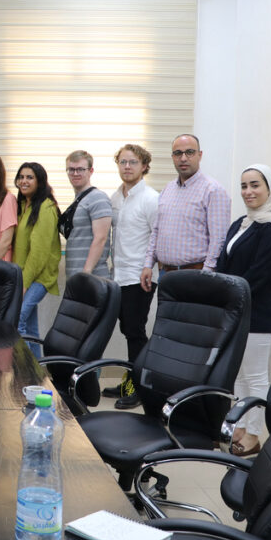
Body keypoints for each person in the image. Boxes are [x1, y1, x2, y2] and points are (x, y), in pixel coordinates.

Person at [216, 164, 271, 457]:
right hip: (235, 309)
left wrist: (231, 297)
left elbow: (258, 275)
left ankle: (254, 435)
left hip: (257, 311)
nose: (248, 191)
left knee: (255, 375)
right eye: (244, 186)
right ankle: (240, 427)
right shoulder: (240, 224)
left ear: (269, 188)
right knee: (239, 375)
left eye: (255, 185)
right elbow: (223, 264)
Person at [104, 145, 159, 409]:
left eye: (133, 162)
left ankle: (139, 388)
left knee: (135, 331)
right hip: (119, 275)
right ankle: (129, 382)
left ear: (144, 166)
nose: (127, 167)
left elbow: (157, 237)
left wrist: (148, 267)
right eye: (123, 162)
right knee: (128, 331)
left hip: (141, 276)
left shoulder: (151, 198)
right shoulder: (115, 197)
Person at [141, 134, 231, 291]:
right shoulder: (168, 189)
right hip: (165, 274)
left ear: (199, 155)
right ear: (172, 157)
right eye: (178, 153)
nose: (183, 158)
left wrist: (207, 274)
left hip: (196, 275)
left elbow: (219, 239)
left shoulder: (213, 190)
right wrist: (148, 264)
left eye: (189, 152)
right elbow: (156, 231)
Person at [12, 163, 61, 356]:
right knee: (30, 329)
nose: (24, 181)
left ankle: (25, 369)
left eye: (30, 177)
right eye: (21, 177)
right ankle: (38, 369)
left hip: (38, 277)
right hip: (24, 275)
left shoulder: (46, 207)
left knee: (17, 320)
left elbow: (39, 252)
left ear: (40, 181)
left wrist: (24, 284)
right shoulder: (23, 205)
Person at [61, 150, 112, 279]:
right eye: (71, 169)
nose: (75, 173)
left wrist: (86, 273)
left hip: (92, 278)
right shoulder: (79, 201)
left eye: (80, 169)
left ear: (91, 171)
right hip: (75, 277)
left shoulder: (98, 198)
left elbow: (100, 238)